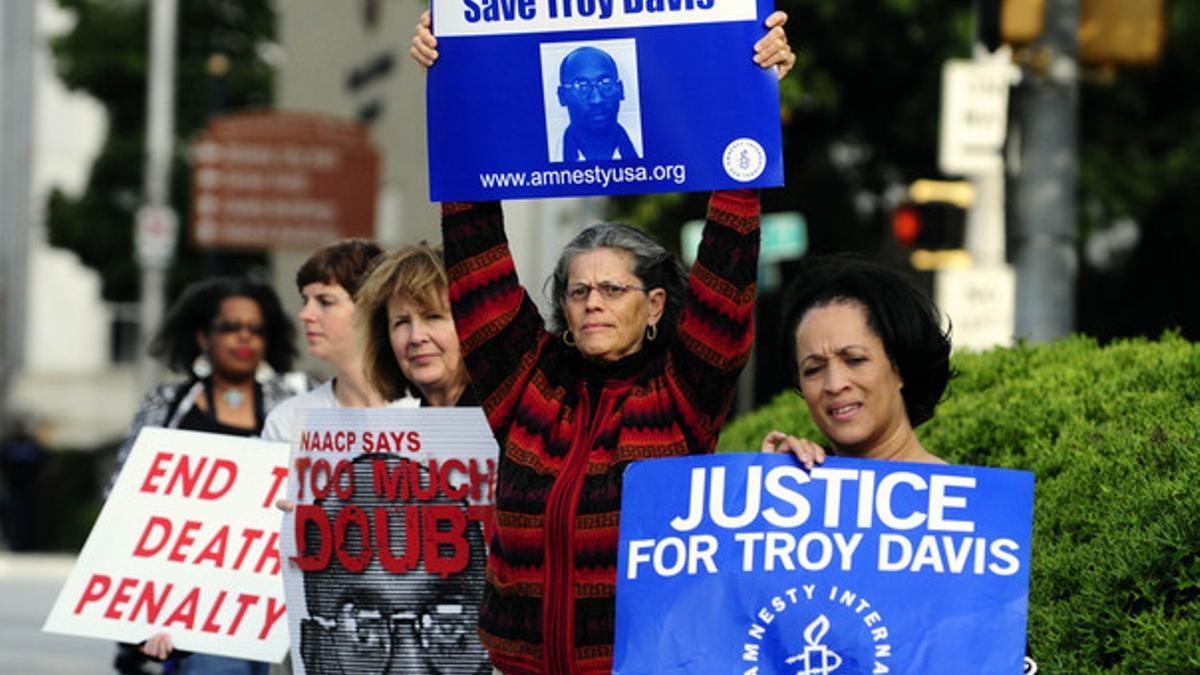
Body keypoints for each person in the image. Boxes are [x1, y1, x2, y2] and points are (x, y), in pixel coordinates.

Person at [413, 13, 795, 673]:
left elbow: (727, 269)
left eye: (613, 290)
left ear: (653, 308)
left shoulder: (684, 391)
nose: (592, 301)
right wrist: (459, 72)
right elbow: (476, 254)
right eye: (578, 290)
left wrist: (749, 97)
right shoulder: (527, 385)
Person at [109, 276, 298, 675]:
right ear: (202, 337)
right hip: (188, 602)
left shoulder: (290, 405)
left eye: (256, 329)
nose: (244, 337)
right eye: (230, 327)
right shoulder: (167, 404)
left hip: (270, 597)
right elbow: (122, 494)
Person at [759, 256, 952, 466]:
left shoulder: (965, 496)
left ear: (900, 367)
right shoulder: (798, 489)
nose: (834, 385)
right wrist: (771, 487)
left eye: (855, 360)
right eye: (813, 370)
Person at [261, 238, 416, 444]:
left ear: (370, 308)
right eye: (305, 301)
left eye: (325, 302)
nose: (305, 314)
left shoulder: (425, 411)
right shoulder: (289, 421)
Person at [355, 243, 474, 409]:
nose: (416, 337)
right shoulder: (401, 429)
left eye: (433, 317)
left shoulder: (511, 423)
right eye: (402, 322)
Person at [556, 45, 638, 162]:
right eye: (581, 85)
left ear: (621, 90)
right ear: (562, 96)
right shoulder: (547, 157)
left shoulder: (650, 146)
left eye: (605, 83)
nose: (597, 99)